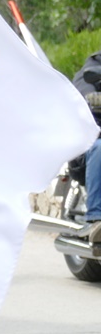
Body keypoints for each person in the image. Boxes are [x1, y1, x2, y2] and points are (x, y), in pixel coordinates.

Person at [72, 52, 101, 240]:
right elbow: (82, 88)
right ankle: (97, 219)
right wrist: (92, 98)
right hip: (90, 141)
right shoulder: (93, 67)